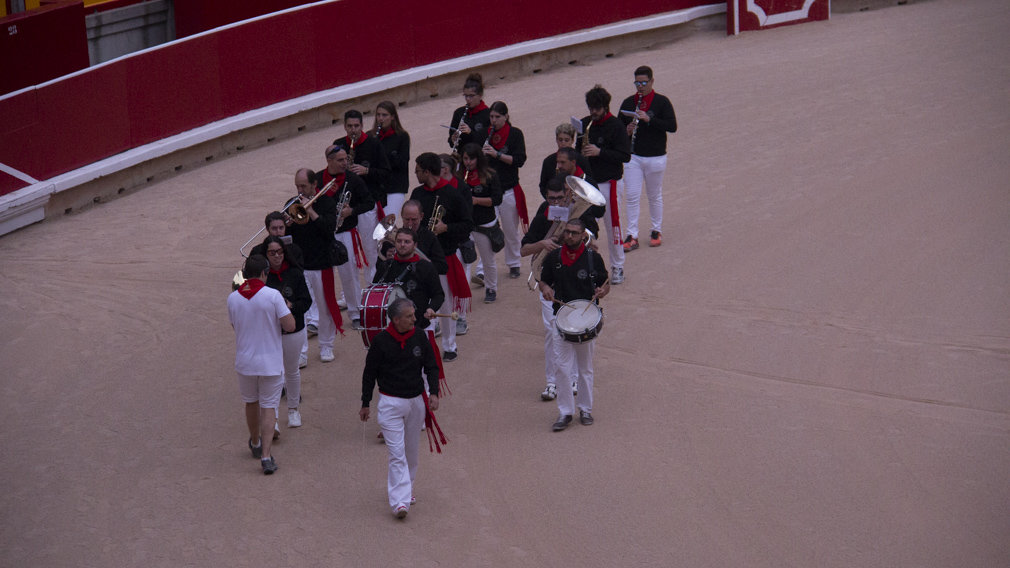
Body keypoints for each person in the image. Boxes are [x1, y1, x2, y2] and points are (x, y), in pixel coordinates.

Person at [521, 174, 604, 401]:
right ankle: (552, 382)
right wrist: (543, 243)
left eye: (560, 198)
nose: (556, 203)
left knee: (576, 330)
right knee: (552, 332)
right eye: (551, 199)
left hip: (575, 283)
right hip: (549, 281)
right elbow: (524, 250)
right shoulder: (542, 217)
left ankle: (575, 377)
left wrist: (586, 242)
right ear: (546, 198)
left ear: (568, 195)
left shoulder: (578, 215)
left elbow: (591, 240)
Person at [359, 298, 443, 519]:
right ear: (396, 320)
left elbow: (431, 365)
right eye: (409, 316)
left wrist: (433, 392)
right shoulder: (380, 342)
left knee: (411, 452)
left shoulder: (419, 337)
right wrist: (365, 402)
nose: (415, 319)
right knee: (397, 455)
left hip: (416, 402)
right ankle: (399, 502)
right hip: (390, 404)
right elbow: (369, 374)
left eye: (414, 315)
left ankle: (408, 488)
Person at [537, 218, 610, 431]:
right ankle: (565, 412)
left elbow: (605, 284)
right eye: (567, 232)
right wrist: (545, 289)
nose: (569, 236)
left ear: (583, 236)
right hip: (561, 319)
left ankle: (585, 409)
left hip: (586, 322)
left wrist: (602, 291)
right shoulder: (554, 257)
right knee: (561, 368)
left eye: (574, 233)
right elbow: (543, 280)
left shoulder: (592, 259)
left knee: (585, 368)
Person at [228, 254, 295, 474]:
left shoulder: (233, 298)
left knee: (250, 402)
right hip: (270, 362)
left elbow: (234, 325)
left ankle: (255, 443)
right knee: (268, 407)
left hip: (245, 361)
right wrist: (287, 307)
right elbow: (290, 325)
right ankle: (266, 456)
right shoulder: (273, 296)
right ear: (264, 272)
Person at [409, 153, 474, 362]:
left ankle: (449, 345)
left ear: (427, 172)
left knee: (445, 303)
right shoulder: (417, 193)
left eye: (418, 170)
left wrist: (446, 227)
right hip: (419, 256)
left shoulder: (453, 194)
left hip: (443, 256)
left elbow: (467, 225)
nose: (415, 173)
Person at [372, 227, 447, 390]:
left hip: (419, 325)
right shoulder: (386, 266)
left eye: (407, 242)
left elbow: (438, 295)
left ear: (415, 245)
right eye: (399, 241)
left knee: (423, 371)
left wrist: (431, 308)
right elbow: (375, 290)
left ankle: (426, 399)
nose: (402, 245)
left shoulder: (426, 267)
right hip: (392, 329)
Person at [286, 167, 343, 362]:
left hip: (321, 264)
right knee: (300, 309)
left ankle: (326, 345)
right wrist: (286, 223)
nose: (300, 191)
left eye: (303, 186)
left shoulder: (327, 203)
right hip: (299, 266)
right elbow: (283, 236)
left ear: (314, 185)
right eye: (297, 186)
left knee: (325, 307)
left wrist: (311, 211)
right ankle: (301, 353)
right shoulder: (291, 204)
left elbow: (329, 231)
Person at [618, 65, 678, 250]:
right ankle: (632, 235)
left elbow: (672, 126)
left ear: (652, 81)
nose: (640, 86)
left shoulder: (662, 102)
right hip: (633, 157)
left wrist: (649, 119)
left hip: (656, 156)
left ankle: (655, 230)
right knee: (632, 196)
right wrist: (625, 131)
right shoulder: (628, 103)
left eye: (644, 82)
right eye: (637, 82)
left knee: (654, 195)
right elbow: (617, 129)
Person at [578, 85, 631, 284]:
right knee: (585, 226)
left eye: (597, 108)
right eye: (590, 107)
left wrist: (600, 152)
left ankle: (618, 266)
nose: (593, 112)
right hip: (589, 184)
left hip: (610, 184)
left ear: (605, 107)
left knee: (612, 226)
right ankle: (584, 267)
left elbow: (625, 156)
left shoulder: (616, 126)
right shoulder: (584, 124)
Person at [318, 144, 374, 330]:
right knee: (319, 277)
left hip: (345, 233)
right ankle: (318, 318)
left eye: (346, 159)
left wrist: (352, 211)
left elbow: (369, 202)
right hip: (323, 233)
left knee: (349, 275)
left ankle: (356, 313)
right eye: (340, 160)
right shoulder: (318, 179)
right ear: (329, 161)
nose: (345, 163)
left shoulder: (353, 180)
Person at [262, 236, 312, 428]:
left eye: (280, 252)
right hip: (270, 332)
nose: (277, 256)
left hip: (293, 331)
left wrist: (290, 306)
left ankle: (293, 410)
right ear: (265, 255)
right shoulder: (263, 277)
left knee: (291, 371)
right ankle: (272, 417)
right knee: (273, 374)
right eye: (272, 253)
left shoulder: (295, 274)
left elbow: (306, 301)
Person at [336, 109, 390, 281]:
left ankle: (371, 287)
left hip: (367, 205)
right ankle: (349, 294)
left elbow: (385, 172)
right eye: (350, 126)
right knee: (346, 250)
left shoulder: (373, 144)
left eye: (356, 126)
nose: (353, 130)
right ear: (344, 126)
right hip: (347, 205)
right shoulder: (338, 145)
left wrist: (366, 171)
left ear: (362, 125)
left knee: (369, 248)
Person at [482, 101, 527, 279]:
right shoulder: (484, 134)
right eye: (491, 117)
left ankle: (514, 263)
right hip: (489, 191)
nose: (493, 120)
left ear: (506, 116)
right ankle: (483, 268)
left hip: (508, 188)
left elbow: (519, 160)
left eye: (497, 117)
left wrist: (497, 155)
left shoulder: (515, 134)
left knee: (510, 230)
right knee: (486, 230)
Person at [460, 143, 503, 303]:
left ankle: (491, 288)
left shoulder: (490, 175)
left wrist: (476, 200)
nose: (468, 162)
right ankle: (463, 293)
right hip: (466, 223)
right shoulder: (459, 175)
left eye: (471, 159)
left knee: (487, 259)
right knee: (465, 259)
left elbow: (497, 199)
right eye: (465, 158)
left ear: (478, 159)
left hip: (484, 223)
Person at [372, 101, 411, 219]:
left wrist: (384, 154)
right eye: (378, 115)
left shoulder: (402, 136)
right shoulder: (371, 136)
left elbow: (403, 162)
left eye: (384, 115)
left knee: (388, 223)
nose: (380, 118)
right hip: (376, 186)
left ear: (393, 117)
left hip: (395, 185)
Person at [538, 123, 593, 198]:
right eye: (560, 140)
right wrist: (552, 200)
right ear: (556, 140)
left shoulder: (581, 160)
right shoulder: (548, 161)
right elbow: (543, 186)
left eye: (566, 140)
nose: (563, 143)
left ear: (572, 140)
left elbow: (589, 183)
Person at [447, 73, 491, 154]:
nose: (467, 99)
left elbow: (487, 141)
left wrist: (471, 133)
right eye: (465, 96)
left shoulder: (488, 114)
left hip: (480, 157)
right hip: (462, 155)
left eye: (471, 96)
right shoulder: (458, 113)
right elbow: (450, 141)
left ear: (480, 95)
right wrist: (453, 139)